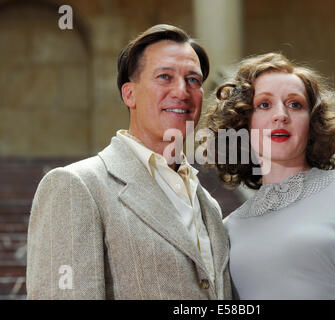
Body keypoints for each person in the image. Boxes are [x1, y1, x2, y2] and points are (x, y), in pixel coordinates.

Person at [26, 24, 232, 300]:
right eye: (164, 77)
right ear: (129, 94)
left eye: (193, 80)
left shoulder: (209, 204)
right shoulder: (78, 185)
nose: (182, 91)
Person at [204, 52, 335, 299]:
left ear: (311, 123)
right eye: (264, 105)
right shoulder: (227, 229)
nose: (281, 115)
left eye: (295, 104)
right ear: (243, 123)